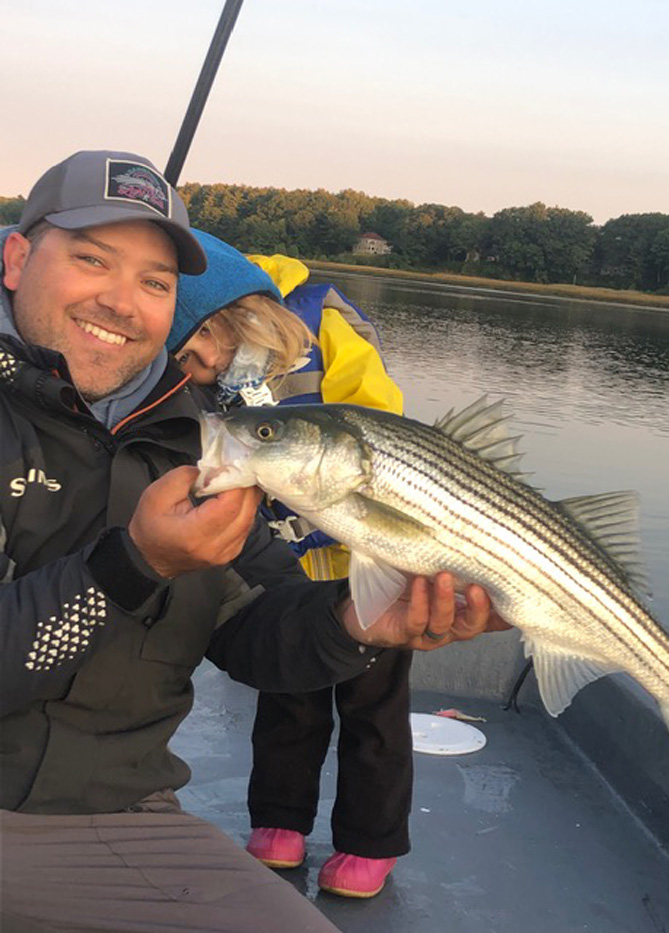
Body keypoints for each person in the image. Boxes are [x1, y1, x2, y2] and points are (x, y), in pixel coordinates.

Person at [0, 149, 508, 933]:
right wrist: (131, 564)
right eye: (91, 258)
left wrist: (360, 624)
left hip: (125, 818)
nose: (121, 300)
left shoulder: (193, 445)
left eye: (156, 282)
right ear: (17, 257)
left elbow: (253, 629)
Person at [169, 231, 412, 898]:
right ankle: (279, 821)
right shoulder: (195, 377)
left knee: (376, 712)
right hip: (280, 564)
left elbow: (379, 422)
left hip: (370, 555)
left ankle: (372, 839)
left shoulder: (323, 322)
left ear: (229, 320)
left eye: (196, 351)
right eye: (180, 357)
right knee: (287, 700)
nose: (192, 368)